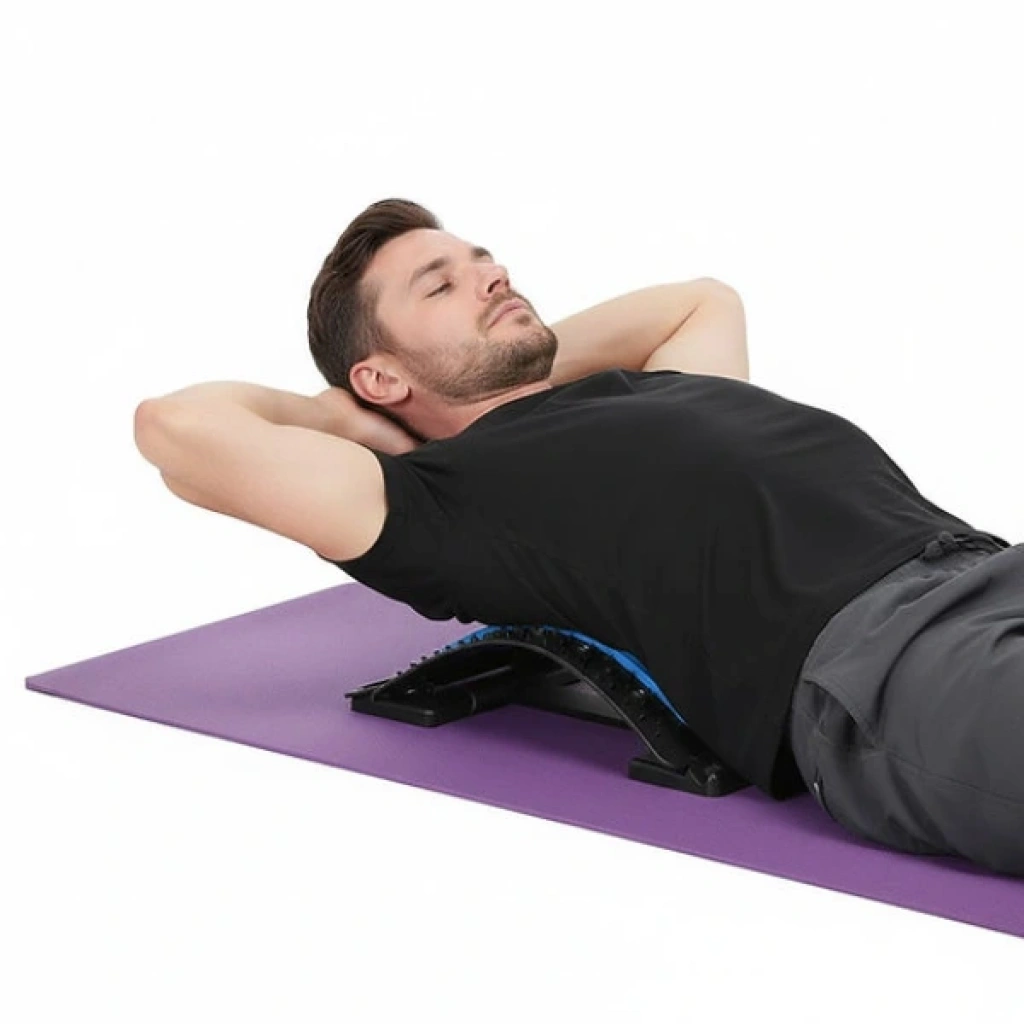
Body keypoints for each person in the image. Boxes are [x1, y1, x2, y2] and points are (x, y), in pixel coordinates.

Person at [134, 198, 1024, 876]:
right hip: (888, 670)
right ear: (379, 375)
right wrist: (349, 417)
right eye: (440, 285)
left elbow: (700, 301)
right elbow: (176, 429)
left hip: (987, 570)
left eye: (482, 262)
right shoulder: (440, 500)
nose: (491, 276)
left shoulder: (656, 389)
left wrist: (502, 359)